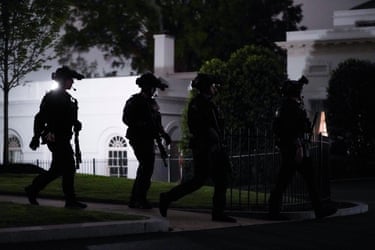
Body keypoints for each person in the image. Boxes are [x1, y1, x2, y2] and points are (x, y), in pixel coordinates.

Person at [159, 73, 236, 223]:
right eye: (212, 85)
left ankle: (218, 213)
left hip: (213, 147)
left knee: (220, 180)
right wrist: (213, 139)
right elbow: (202, 127)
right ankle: (167, 197)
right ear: (207, 87)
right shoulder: (198, 104)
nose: (215, 88)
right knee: (200, 180)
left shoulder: (208, 103)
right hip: (205, 148)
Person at [268, 76, 337, 220]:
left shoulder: (285, 107)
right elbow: (292, 129)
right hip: (295, 149)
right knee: (297, 181)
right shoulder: (291, 108)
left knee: (287, 180)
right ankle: (318, 210)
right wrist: (298, 146)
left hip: (292, 148)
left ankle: (274, 210)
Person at [25, 66, 87, 209]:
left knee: (57, 170)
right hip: (55, 138)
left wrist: (76, 123)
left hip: (64, 137)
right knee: (69, 167)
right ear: (64, 81)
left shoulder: (67, 98)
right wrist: (36, 136)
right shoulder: (52, 97)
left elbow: (67, 118)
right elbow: (40, 118)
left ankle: (33, 189)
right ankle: (70, 200)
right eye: (70, 80)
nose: (72, 83)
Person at [122, 72, 171, 209]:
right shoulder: (134, 101)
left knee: (145, 169)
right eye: (153, 87)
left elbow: (157, 122)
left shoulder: (152, 103)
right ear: (147, 87)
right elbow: (126, 119)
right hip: (138, 138)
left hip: (149, 138)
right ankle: (139, 198)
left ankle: (136, 198)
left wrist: (163, 134)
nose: (154, 90)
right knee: (146, 167)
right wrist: (142, 125)